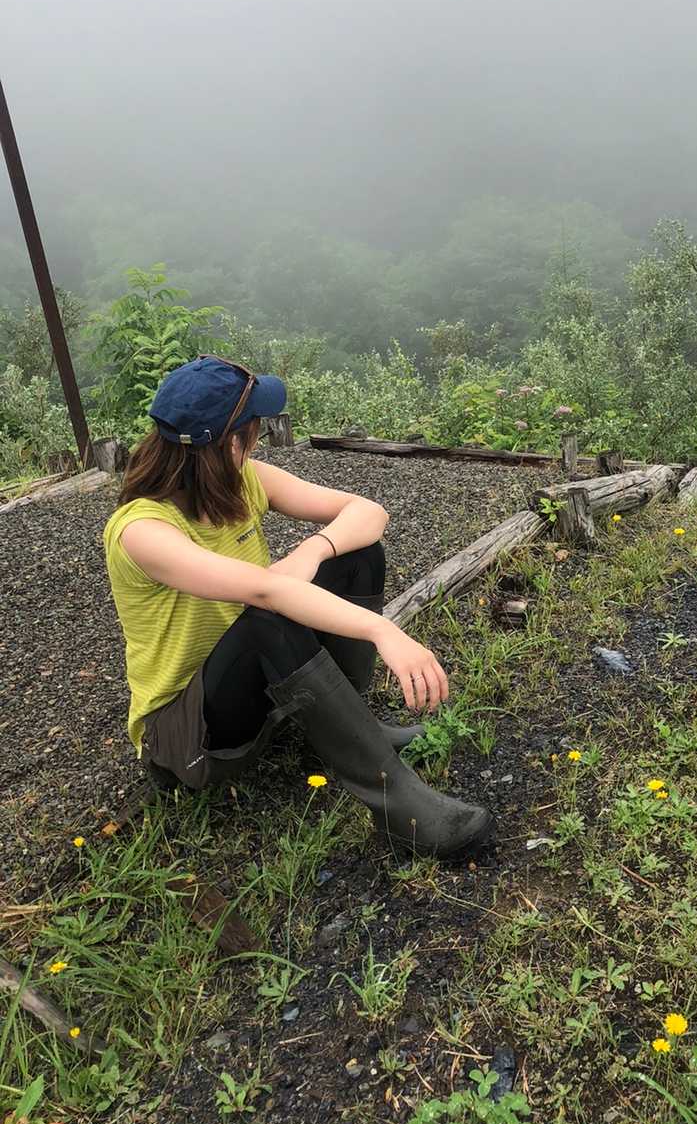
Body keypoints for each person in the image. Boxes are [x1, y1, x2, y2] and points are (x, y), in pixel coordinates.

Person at [101, 354, 493, 860]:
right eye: (255, 430)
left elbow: (368, 513)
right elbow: (266, 593)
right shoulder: (141, 530)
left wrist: (314, 549)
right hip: (187, 735)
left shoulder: (244, 479)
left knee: (356, 554)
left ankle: (352, 726)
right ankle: (397, 802)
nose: (259, 439)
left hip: (255, 688)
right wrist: (383, 631)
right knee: (267, 618)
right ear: (229, 443)